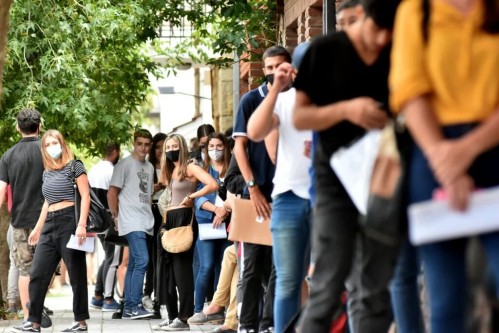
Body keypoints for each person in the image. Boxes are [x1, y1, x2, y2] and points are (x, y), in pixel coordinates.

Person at [390, 1, 499, 332]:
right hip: (432, 153)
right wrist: (444, 159)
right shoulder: (416, 11)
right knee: (446, 298)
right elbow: (409, 91)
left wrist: (464, 151)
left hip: (492, 145)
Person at [292, 0, 401, 331]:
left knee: (375, 289)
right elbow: (300, 117)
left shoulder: (397, 50)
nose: (382, 40)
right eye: (376, 31)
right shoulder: (325, 51)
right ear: (362, 17)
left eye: (390, 34)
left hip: (383, 175)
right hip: (335, 178)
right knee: (328, 282)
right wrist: (347, 110)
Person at [247, 42, 312, 333]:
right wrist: (276, 87)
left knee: (331, 279)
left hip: (330, 198)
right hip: (289, 197)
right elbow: (255, 132)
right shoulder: (284, 101)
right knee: (287, 279)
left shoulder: (340, 99)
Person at [231, 45, 292, 333]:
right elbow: (239, 147)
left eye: (279, 66)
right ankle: (248, 325)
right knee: (252, 266)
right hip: (256, 195)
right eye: (268, 68)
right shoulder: (250, 100)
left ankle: (269, 324)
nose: (273, 73)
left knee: (281, 266)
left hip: (287, 193)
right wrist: (252, 188)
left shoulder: (296, 99)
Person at [12, 129, 90, 333]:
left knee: (76, 273)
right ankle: (34, 321)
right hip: (50, 225)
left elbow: (86, 196)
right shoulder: (47, 172)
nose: (51, 147)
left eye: (54, 143)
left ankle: (80, 322)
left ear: (62, 144)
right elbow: (47, 201)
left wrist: (81, 224)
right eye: (47, 145)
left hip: (69, 222)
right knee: (37, 273)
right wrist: (38, 228)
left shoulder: (75, 166)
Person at [155, 133, 218, 331]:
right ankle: (173, 316)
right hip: (170, 218)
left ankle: (184, 318)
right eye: (168, 147)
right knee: (166, 272)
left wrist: (193, 196)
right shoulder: (171, 169)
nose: (170, 150)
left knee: (182, 272)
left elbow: (212, 184)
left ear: (181, 147)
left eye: (174, 146)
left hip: (184, 218)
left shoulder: (190, 166)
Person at [0, 109, 50, 326]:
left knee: (24, 269)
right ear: (39, 127)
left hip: (20, 222)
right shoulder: (47, 151)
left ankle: (30, 318)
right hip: (47, 220)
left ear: (18, 127)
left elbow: (1, 192)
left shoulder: (8, 156)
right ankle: (39, 308)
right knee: (45, 268)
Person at [108, 129, 155, 320]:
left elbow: (147, 193)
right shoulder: (124, 165)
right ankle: (135, 306)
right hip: (130, 220)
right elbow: (111, 193)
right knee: (143, 260)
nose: (143, 147)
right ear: (134, 143)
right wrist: (116, 217)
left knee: (135, 263)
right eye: (140, 143)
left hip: (146, 220)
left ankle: (128, 307)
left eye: (146, 144)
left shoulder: (150, 167)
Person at [188, 132, 232, 324]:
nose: (215, 150)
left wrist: (225, 212)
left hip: (228, 224)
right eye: (211, 146)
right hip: (207, 223)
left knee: (222, 268)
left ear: (226, 147)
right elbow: (197, 198)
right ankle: (198, 309)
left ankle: (218, 309)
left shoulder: (232, 169)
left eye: (219, 146)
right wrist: (216, 210)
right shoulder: (202, 169)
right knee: (205, 267)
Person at [88, 142, 122, 312]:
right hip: (110, 220)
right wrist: (116, 218)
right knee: (113, 259)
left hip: (96, 221)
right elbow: (114, 196)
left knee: (108, 257)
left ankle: (98, 295)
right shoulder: (113, 171)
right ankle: (108, 298)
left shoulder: (93, 169)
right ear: (115, 152)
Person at [142, 132, 167, 318]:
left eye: (163, 146)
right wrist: (153, 189)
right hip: (150, 211)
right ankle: (147, 293)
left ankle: (161, 295)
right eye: (157, 147)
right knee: (150, 255)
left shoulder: (171, 166)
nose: (160, 150)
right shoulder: (147, 167)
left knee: (163, 255)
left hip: (166, 212)